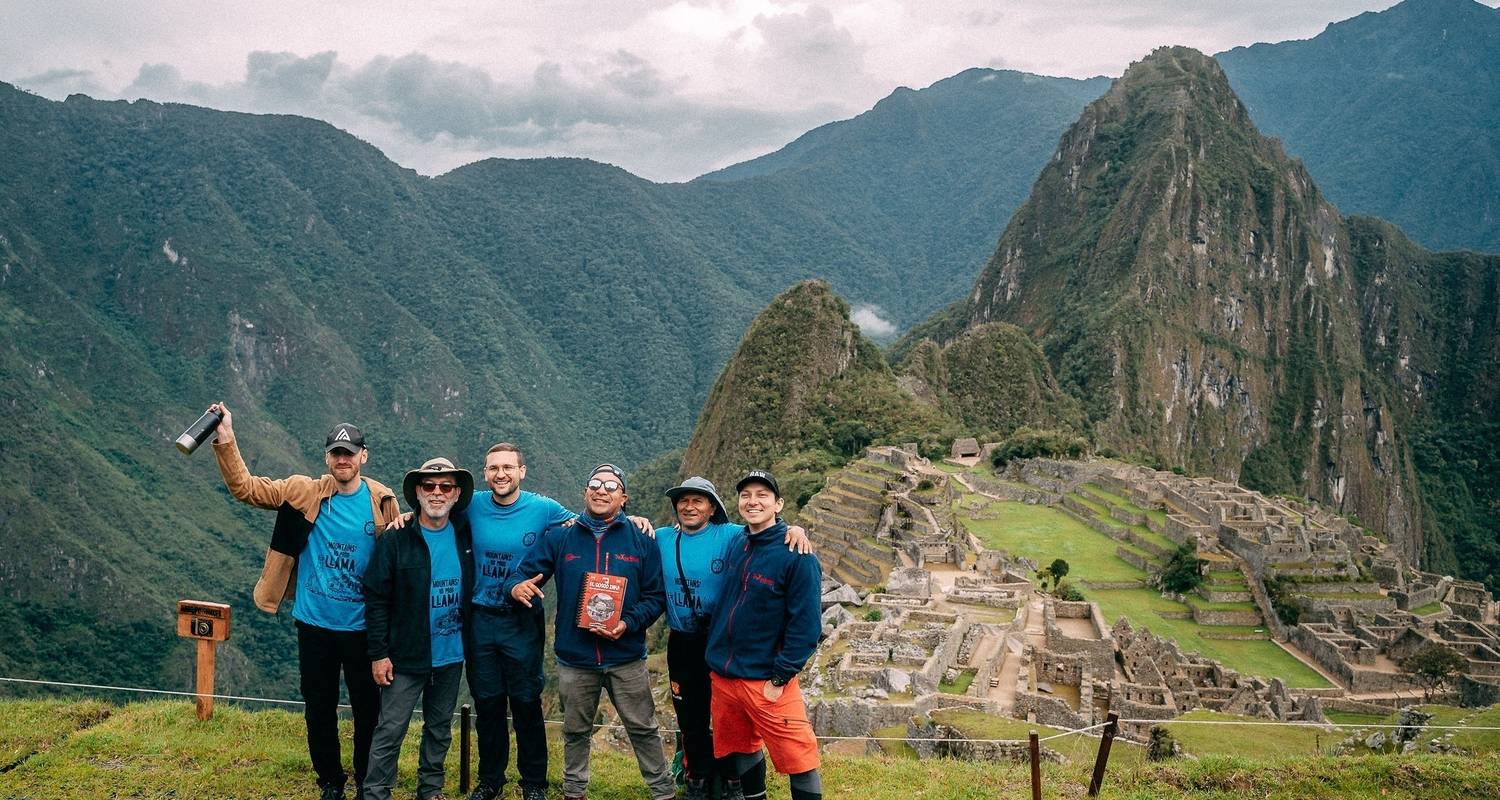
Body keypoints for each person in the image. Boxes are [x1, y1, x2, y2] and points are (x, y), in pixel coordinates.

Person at [208, 403, 399, 800]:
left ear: (363, 456)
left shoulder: (382, 502)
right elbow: (246, 488)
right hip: (314, 625)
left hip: (363, 628)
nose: (343, 460)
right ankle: (330, 782)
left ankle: (368, 780)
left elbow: (399, 556)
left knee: (369, 713)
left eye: (350, 453)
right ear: (327, 457)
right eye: (336, 453)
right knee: (319, 709)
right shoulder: (303, 492)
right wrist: (226, 438)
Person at [460, 443, 653, 800]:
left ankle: (533, 783)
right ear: (485, 473)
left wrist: (634, 519)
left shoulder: (545, 509)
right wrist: (405, 516)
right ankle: (491, 781)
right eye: (493, 468)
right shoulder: (471, 504)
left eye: (508, 467)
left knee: (526, 701)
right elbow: (434, 514)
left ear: (522, 471)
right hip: (480, 617)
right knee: (487, 702)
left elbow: (594, 520)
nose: (501, 474)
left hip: (521, 620)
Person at [505, 464, 675, 800]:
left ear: (623, 498)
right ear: (585, 491)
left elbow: (656, 597)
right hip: (576, 657)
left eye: (611, 486)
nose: (601, 490)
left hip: (626, 657)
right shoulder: (561, 537)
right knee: (576, 730)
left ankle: (663, 792)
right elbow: (523, 573)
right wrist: (515, 587)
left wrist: (628, 623)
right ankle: (574, 791)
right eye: (595, 484)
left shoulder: (642, 540)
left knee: (643, 728)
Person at [655, 477, 810, 800]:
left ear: (713, 508)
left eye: (699, 500)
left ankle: (732, 780)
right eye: (683, 500)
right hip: (682, 642)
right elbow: (627, 535)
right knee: (691, 717)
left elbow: (764, 530)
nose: (689, 506)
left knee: (729, 722)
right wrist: (634, 519)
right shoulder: (662, 537)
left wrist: (795, 529)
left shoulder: (731, 536)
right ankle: (696, 777)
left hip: (720, 641)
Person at [704, 471, 824, 800]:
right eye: (746, 495)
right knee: (743, 749)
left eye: (762, 495)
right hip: (726, 677)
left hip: (767, 680)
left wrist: (780, 677)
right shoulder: (738, 543)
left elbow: (807, 626)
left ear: (778, 504)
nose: (753, 501)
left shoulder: (797, 556)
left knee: (799, 758)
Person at [361, 458, 475, 800]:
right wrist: (379, 654)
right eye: (429, 486)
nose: (437, 493)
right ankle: (376, 791)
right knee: (391, 729)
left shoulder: (466, 533)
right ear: (417, 492)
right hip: (406, 655)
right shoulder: (397, 538)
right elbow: (376, 597)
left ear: (456, 494)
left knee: (439, 728)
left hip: (451, 654)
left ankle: (430, 789)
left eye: (445, 487)